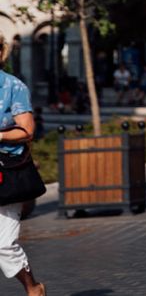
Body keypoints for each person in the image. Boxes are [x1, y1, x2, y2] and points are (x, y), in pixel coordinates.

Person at [0, 69, 46, 295]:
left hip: (5, 172)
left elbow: (27, 130)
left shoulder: (12, 86)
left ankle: (33, 288)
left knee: (4, 245)